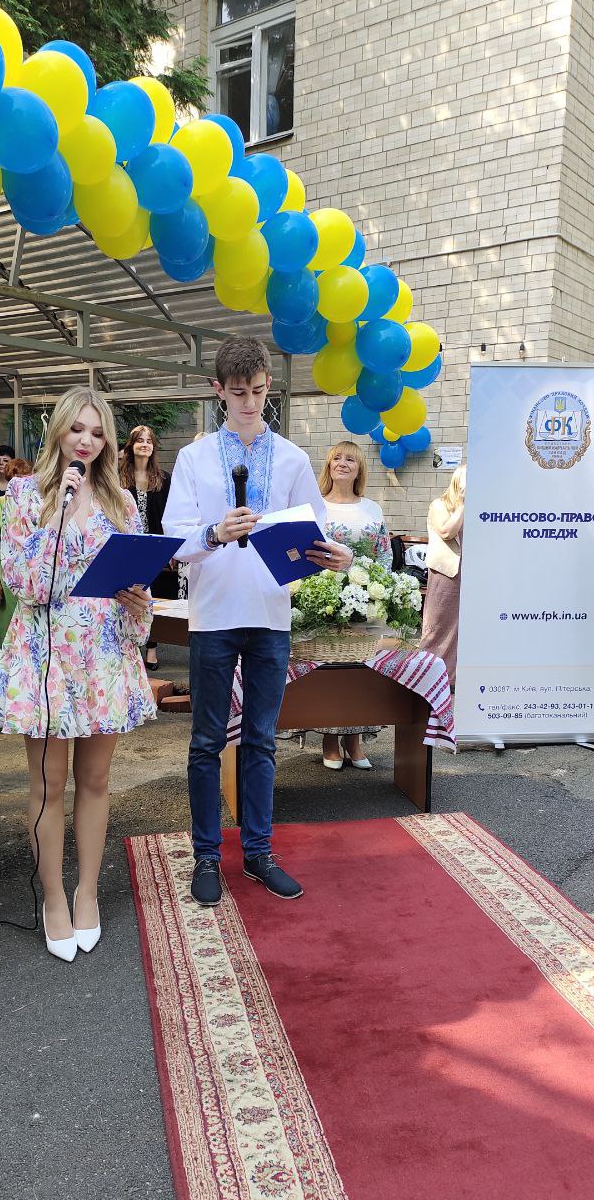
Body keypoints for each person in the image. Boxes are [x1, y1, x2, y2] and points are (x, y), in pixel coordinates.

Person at [163, 336, 354, 907]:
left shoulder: (292, 458)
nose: (249, 403)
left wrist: (336, 557)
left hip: (271, 614)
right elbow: (174, 539)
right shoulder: (195, 458)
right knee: (205, 741)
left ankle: (258, 852)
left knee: (262, 740)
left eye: (257, 391)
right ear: (218, 390)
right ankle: (205, 855)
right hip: (214, 615)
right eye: (238, 392)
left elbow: (314, 536)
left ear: (270, 385)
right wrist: (215, 532)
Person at [0, 387, 156, 961]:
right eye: (78, 428)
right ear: (58, 429)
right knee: (48, 783)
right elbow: (25, 582)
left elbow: (138, 585)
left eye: (98, 432)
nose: (87, 440)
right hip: (46, 655)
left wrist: (139, 605)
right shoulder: (24, 494)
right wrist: (58, 513)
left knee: (96, 780)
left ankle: (87, 893)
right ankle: (53, 897)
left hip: (103, 653)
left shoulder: (121, 501)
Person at [317, 439, 392, 771]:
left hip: (365, 600)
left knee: (361, 672)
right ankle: (329, 739)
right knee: (330, 672)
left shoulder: (372, 508)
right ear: (329, 466)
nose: (342, 463)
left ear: (360, 468)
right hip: (324, 601)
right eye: (337, 458)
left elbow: (384, 554)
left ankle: (355, 740)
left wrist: (376, 587)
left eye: (350, 459)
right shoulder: (316, 506)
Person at [118, 425, 173, 669]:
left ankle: (152, 648)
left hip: (154, 544)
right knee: (128, 593)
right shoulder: (118, 477)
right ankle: (128, 644)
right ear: (131, 446)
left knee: (154, 595)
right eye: (140, 440)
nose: (144, 444)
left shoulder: (163, 478)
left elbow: (170, 513)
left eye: (149, 441)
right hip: (127, 545)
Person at [420, 464, 466, 686]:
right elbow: (447, 531)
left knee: (461, 627)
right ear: (458, 481)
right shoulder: (440, 505)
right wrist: (463, 505)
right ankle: (427, 674)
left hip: (471, 573)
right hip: (447, 573)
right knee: (438, 625)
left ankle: (452, 678)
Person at [0, 458, 33, 648]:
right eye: (16, 479)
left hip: (35, 579)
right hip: (8, 580)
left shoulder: (40, 504)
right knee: (9, 638)